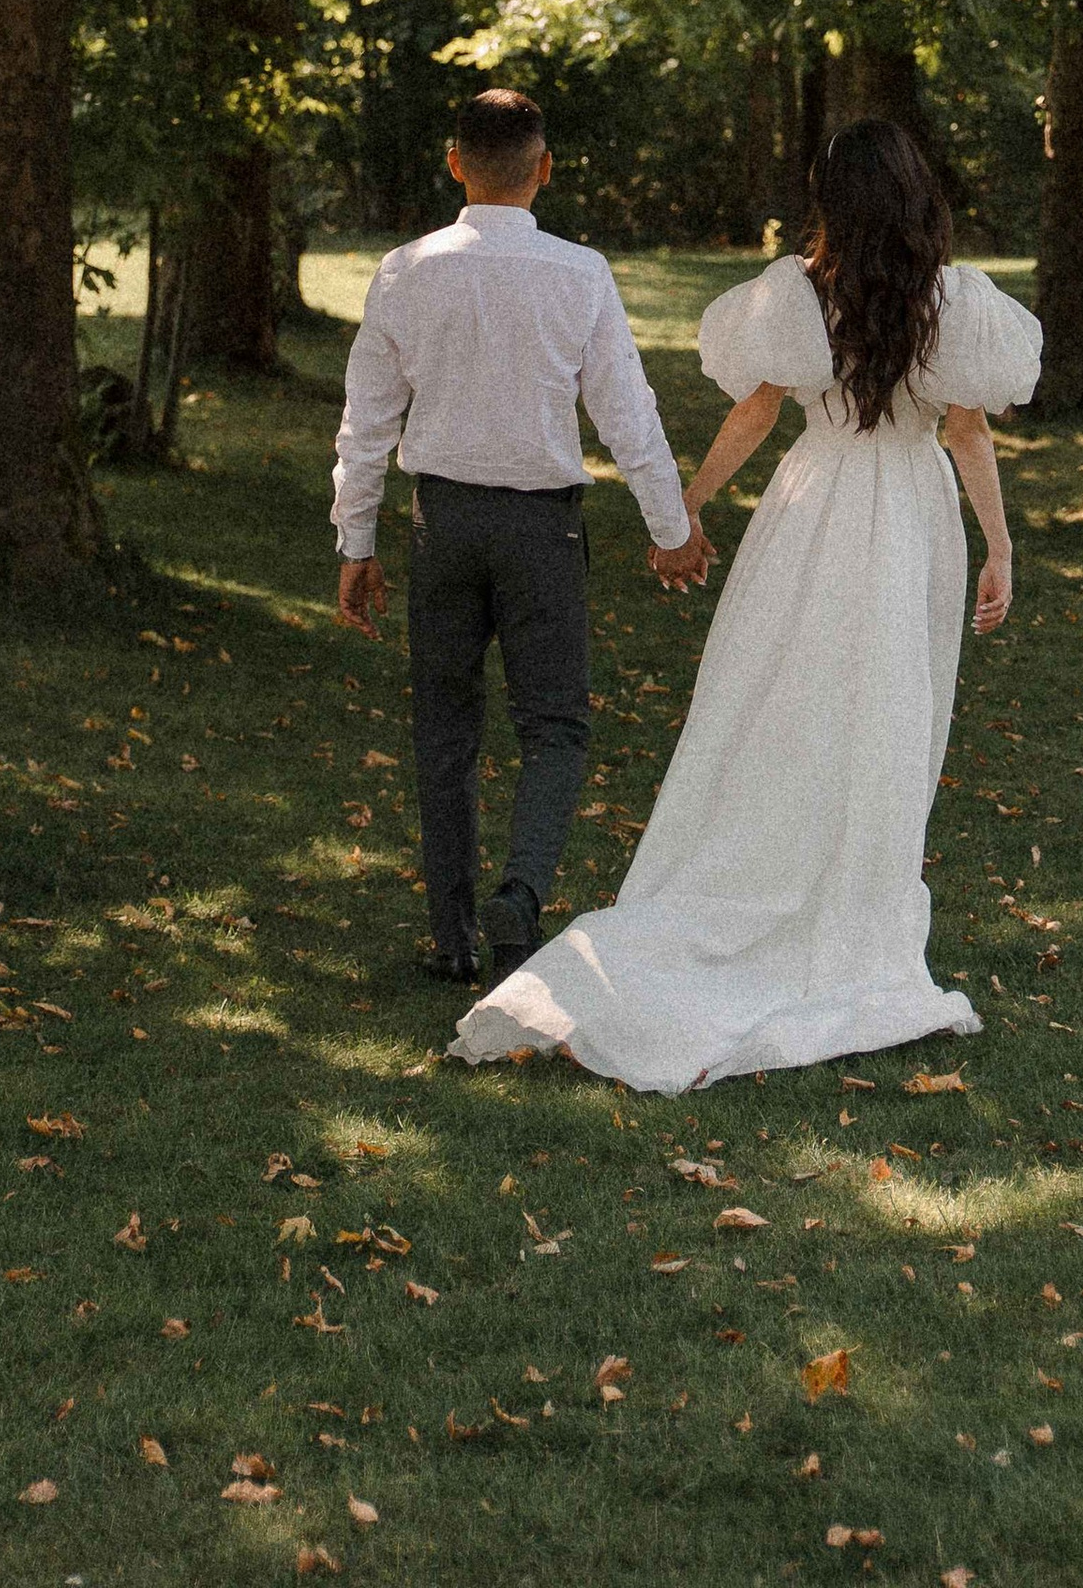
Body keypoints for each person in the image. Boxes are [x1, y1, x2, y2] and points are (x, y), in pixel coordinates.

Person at [450, 117, 1039, 1091]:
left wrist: (687, 505)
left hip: (814, 502)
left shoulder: (802, 292)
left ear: (830, 199)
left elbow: (758, 412)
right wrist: (999, 546)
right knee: (887, 709)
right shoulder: (951, 301)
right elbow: (968, 433)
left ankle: (786, 874)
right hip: (911, 512)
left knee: (787, 696)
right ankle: (848, 898)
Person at [331, 87, 711, 985]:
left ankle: (454, 937)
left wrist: (357, 543)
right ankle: (522, 887)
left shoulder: (404, 270)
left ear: (454, 163)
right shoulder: (579, 273)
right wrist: (671, 527)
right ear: (544, 169)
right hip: (541, 530)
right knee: (555, 726)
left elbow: (366, 422)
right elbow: (627, 412)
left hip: (443, 524)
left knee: (445, 729)